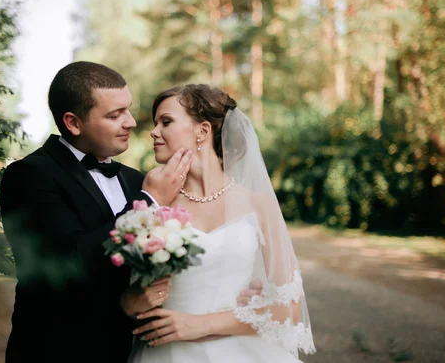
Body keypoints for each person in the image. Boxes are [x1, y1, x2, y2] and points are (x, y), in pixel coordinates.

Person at [0, 61, 193, 362]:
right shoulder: (29, 175)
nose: (130, 122)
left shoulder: (133, 179)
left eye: (128, 109)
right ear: (73, 123)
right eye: (115, 115)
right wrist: (148, 202)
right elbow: (64, 264)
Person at [128, 84, 316, 362]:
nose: (154, 132)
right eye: (156, 124)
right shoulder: (154, 201)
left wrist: (199, 325)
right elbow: (128, 295)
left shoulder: (258, 205)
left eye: (165, 122)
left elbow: (290, 307)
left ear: (203, 130)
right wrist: (133, 301)